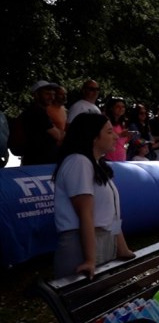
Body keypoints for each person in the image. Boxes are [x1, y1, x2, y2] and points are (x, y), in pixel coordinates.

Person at [52, 112, 134, 279]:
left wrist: (122, 247)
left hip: (103, 239)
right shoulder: (78, 162)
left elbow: (112, 214)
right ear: (93, 137)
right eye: (109, 132)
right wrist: (90, 259)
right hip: (81, 244)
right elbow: (85, 213)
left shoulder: (96, 165)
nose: (116, 136)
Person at [18, 80, 64, 166]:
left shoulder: (36, 111)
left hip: (37, 161)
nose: (52, 97)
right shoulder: (37, 113)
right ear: (36, 94)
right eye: (47, 94)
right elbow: (57, 135)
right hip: (39, 163)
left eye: (53, 94)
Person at [104, 97, 130, 162]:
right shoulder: (106, 122)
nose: (121, 109)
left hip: (121, 157)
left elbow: (122, 142)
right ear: (111, 108)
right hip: (109, 158)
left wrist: (129, 137)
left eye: (123, 107)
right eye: (118, 107)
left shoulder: (123, 123)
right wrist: (120, 135)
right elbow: (104, 138)